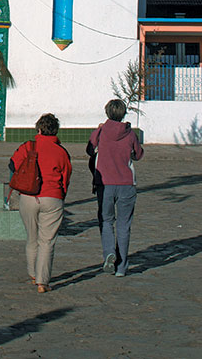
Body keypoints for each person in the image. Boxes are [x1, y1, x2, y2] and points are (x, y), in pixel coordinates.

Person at [9, 113, 72, 293]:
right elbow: (66, 177)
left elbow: (12, 165)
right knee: (47, 241)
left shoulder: (29, 146)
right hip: (52, 197)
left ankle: (33, 274)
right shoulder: (61, 152)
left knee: (32, 238)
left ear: (38, 129)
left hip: (28, 197)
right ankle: (42, 282)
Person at [87, 98, 144, 277]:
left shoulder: (101, 131)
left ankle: (109, 252)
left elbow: (89, 150)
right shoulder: (130, 134)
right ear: (123, 113)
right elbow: (138, 154)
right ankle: (121, 267)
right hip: (127, 183)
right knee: (124, 225)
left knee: (106, 220)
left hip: (105, 184)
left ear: (107, 113)